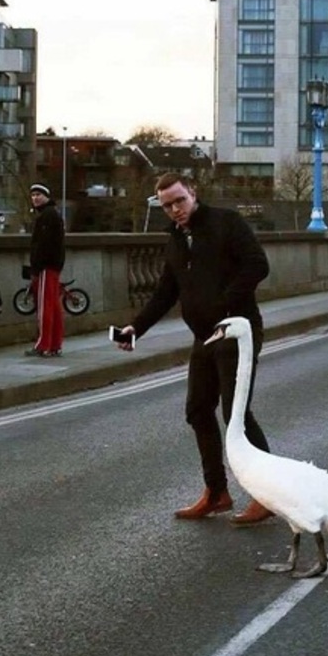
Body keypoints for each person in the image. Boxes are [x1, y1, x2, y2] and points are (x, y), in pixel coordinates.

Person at [115, 171, 274, 526]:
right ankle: (216, 493)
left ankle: (267, 496)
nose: (174, 209)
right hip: (204, 337)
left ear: (193, 192)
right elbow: (165, 292)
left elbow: (257, 265)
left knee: (237, 416)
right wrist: (134, 328)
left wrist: (224, 303)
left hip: (237, 331)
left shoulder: (225, 222)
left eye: (179, 200)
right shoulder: (174, 239)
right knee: (198, 410)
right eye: (167, 205)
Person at [25, 183, 65, 357]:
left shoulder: (46, 217)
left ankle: (43, 344)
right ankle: (55, 343)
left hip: (45, 267)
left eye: (38, 195)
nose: (35, 198)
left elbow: (42, 245)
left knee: (44, 307)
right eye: (33, 195)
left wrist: (36, 267)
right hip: (54, 266)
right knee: (54, 306)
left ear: (47, 196)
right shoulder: (53, 214)